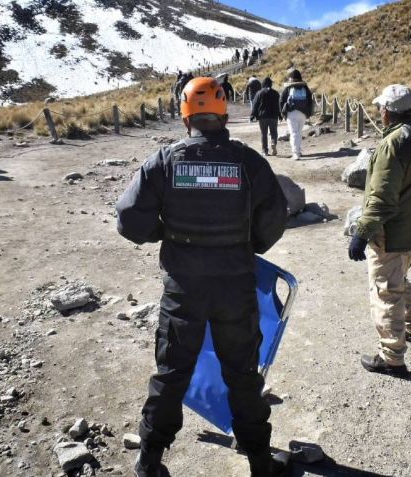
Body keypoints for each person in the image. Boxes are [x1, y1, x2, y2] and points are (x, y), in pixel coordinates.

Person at [116, 76, 290, 477]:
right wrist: (250, 245)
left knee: (172, 372)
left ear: (185, 117)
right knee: (242, 374)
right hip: (235, 288)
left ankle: (149, 461)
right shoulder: (248, 162)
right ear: (224, 115)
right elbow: (275, 216)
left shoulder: (164, 161)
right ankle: (261, 463)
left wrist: (164, 233)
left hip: (183, 290)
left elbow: (128, 220)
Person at [347, 84, 411, 377]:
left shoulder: (393, 145)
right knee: (399, 279)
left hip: (390, 231)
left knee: (386, 290)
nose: (378, 112)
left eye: (381, 108)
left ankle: (391, 357)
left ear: (388, 111)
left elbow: (381, 199)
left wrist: (361, 233)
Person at [278, 69, 313, 160]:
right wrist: (308, 113)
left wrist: (283, 113)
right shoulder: (304, 87)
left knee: (294, 133)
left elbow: (281, 100)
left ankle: (296, 153)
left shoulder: (288, 87)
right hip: (303, 113)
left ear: (291, 77)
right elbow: (310, 100)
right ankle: (298, 150)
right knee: (299, 133)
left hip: (291, 113)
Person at [251, 77, 281, 156]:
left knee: (264, 133)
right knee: (274, 132)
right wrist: (280, 115)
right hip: (274, 116)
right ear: (271, 84)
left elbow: (255, 105)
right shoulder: (276, 93)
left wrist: (252, 115)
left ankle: (265, 150)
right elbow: (279, 105)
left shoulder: (259, 93)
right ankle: (273, 142)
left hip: (263, 117)